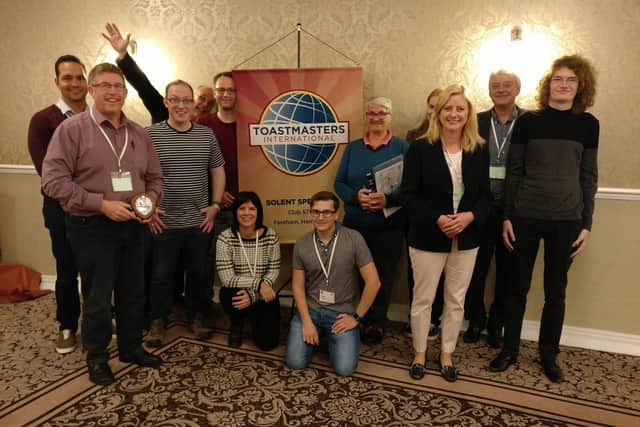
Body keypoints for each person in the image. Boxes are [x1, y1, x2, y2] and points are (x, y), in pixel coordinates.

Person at [42, 63, 164, 385]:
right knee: (98, 297)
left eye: (118, 86)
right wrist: (101, 204)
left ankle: (131, 347)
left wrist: (148, 203)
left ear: (125, 93)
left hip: (135, 226)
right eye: (105, 85)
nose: (113, 91)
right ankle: (97, 357)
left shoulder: (139, 133)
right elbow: (53, 182)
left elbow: (154, 179)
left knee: (134, 292)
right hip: (92, 226)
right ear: (92, 90)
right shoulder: (71, 130)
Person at [489, 55, 599, 383]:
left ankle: (548, 355)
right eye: (557, 79)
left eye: (570, 80)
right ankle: (509, 350)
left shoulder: (589, 124)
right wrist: (508, 216)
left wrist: (586, 224)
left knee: (556, 291)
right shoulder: (529, 122)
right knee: (515, 287)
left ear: (580, 87)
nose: (563, 85)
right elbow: (515, 171)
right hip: (524, 216)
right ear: (548, 84)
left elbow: (588, 175)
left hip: (567, 220)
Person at [402, 84, 489, 382]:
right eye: (447, 109)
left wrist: (469, 216)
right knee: (423, 299)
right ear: (438, 114)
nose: (453, 114)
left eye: (460, 109)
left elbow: (486, 196)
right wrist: (438, 219)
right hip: (428, 236)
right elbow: (409, 196)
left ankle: (447, 353)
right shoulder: (420, 148)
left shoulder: (479, 148)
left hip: (466, 237)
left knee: (456, 300)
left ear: (468, 114)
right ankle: (420, 352)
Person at [144, 80, 226, 347]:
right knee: (160, 275)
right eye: (175, 100)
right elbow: (138, 175)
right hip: (162, 222)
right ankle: (157, 320)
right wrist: (148, 210)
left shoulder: (206, 135)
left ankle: (197, 317)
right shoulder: (150, 135)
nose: (180, 105)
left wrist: (215, 206)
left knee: (199, 274)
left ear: (193, 104)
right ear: (166, 102)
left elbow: (217, 171)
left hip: (199, 222)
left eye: (186, 100)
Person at [334, 97, 408, 345]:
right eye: (372, 113)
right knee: (351, 274)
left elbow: (411, 189)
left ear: (390, 116)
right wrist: (355, 197)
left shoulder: (402, 148)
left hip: (389, 227)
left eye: (382, 113)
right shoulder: (353, 148)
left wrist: (387, 199)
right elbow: (339, 184)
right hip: (355, 225)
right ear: (366, 116)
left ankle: (376, 322)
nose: (377, 117)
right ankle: (355, 318)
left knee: (383, 275)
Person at [27, 55, 87, 354]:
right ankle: (67, 325)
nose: (74, 83)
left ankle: (96, 320)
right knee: (66, 270)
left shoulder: (99, 116)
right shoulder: (42, 120)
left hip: (97, 210)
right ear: (57, 82)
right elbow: (47, 172)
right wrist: (85, 194)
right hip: (61, 209)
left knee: (96, 269)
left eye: (79, 77)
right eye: (68, 78)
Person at [285, 191, 381, 376]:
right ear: (310, 213)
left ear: (336, 214)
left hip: (342, 313)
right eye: (316, 212)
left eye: (327, 212)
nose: (321, 217)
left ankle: (328, 336)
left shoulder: (354, 239)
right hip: (312, 310)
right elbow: (297, 286)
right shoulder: (302, 244)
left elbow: (373, 282)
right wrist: (306, 321)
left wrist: (356, 317)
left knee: (344, 369)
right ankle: (318, 333)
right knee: (295, 362)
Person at [463, 71, 523, 348]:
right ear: (488, 91)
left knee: (508, 272)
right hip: (481, 207)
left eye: (506, 85)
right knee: (476, 268)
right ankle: (476, 318)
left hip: (515, 209)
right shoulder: (476, 121)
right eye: (494, 86)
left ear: (517, 89)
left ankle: (496, 324)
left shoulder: (527, 123)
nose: (500, 90)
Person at [405, 88, 445, 341]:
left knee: (443, 274)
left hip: (448, 220)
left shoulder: (461, 138)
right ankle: (417, 318)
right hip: (416, 216)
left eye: (439, 107)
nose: (434, 112)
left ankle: (435, 319)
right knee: (417, 273)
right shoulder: (413, 138)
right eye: (431, 106)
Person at [216, 191, 281, 350]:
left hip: (261, 294)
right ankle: (237, 322)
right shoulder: (225, 238)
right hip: (238, 291)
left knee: (268, 344)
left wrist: (254, 294)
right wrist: (258, 284)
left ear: (258, 212)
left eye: (252, 208)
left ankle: (254, 316)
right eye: (242, 208)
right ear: (235, 212)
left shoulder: (271, 236)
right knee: (228, 292)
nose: (247, 213)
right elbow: (227, 279)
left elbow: (273, 270)